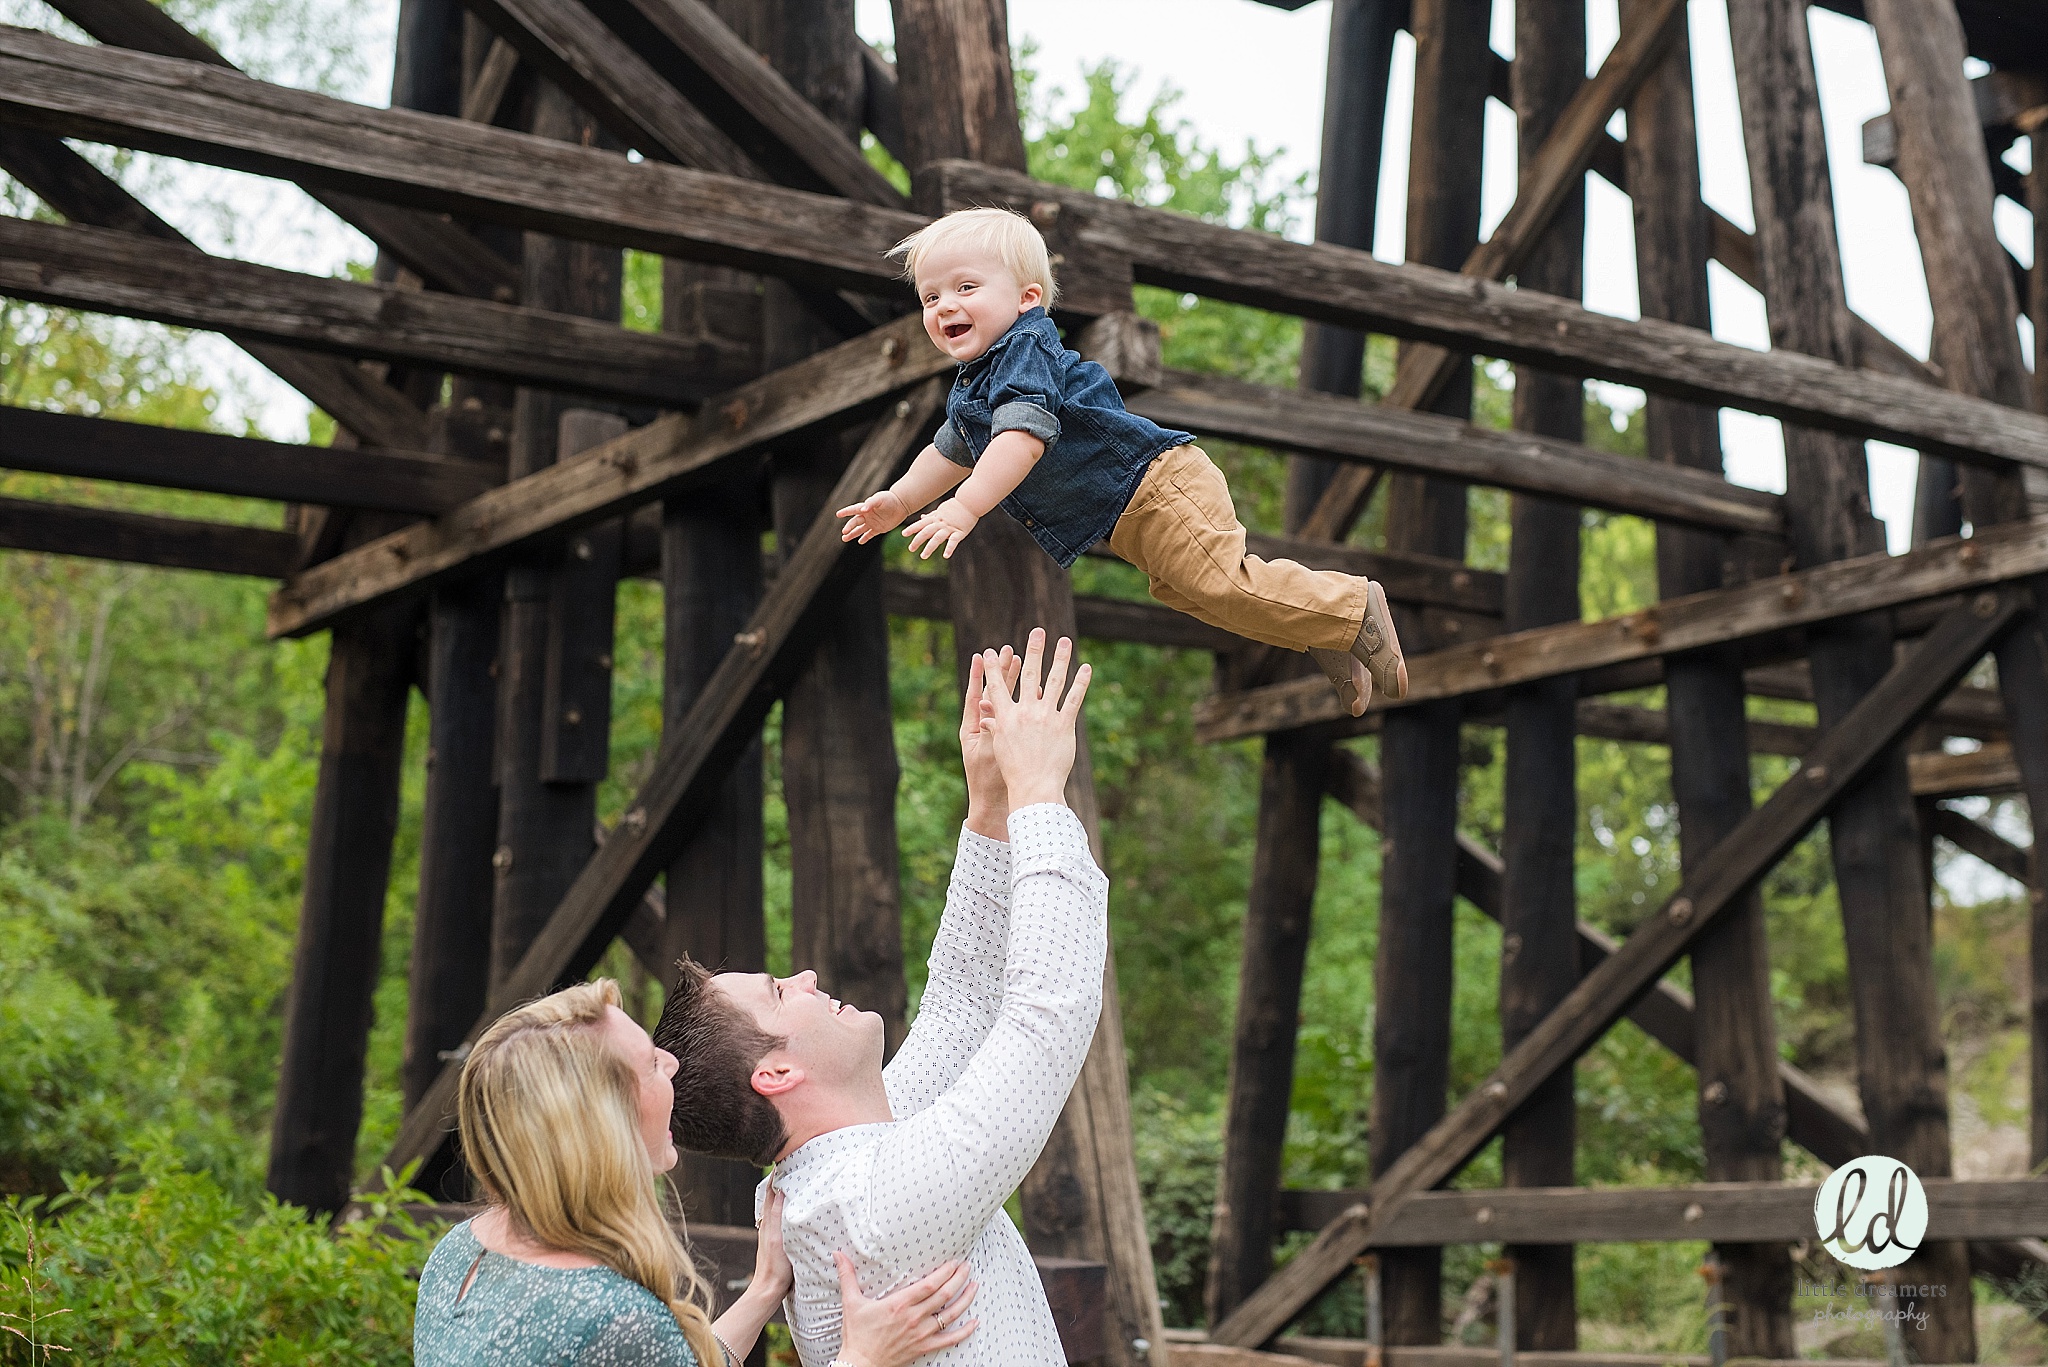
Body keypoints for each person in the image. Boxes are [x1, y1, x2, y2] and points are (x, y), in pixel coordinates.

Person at [652, 631, 1102, 1366]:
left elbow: (960, 1006)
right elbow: (1046, 1014)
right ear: (775, 1074)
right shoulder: (874, 1210)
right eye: (776, 991)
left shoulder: (847, 1166)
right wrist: (1042, 794)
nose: (801, 977)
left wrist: (989, 807)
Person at [836, 206, 1406, 717]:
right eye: (931, 298)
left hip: (1158, 486)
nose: (946, 306)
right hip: (1132, 515)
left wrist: (964, 508)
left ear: (1027, 298)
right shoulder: (977, 384)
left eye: (965, 286)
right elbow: (951, 451)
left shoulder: (1023, 349)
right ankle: (1327, 631)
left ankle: (1353, 606)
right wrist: (903, 498)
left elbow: (1023, 439)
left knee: (1220, 585)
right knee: (1197, 596)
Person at [414, 977, 982, 1366]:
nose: (673, 1064)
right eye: (650, 1065)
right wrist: (863, 1359)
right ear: (602, 1126)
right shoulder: (615, 1318)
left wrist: (764, 1291)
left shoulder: (462, 1253)